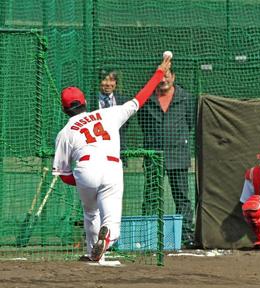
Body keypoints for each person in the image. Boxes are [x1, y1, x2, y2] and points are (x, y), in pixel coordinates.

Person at [52, 56, 171, 262]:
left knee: (91, 214)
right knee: (112, 223)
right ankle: (105, 242)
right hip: (112, 166)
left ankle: (93, 254)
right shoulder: (108, 114)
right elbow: (138, 100)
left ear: (64, 109)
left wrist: (81, 181)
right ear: (85, 102)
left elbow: (63, 175)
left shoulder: (65, 132)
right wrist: (159, 73)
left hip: (85, 168)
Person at [137, 64, 196, 247]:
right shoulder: (146, 100)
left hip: (178, 154)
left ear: (173, 77)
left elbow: (191, 122)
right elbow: (143, 123)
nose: (163, 80)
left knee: (181, 196)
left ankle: (186, 234)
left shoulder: (186, 98)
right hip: (154, 155)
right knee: (151, 196)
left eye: (166, 76)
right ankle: (148, 235)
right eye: (160, 76)